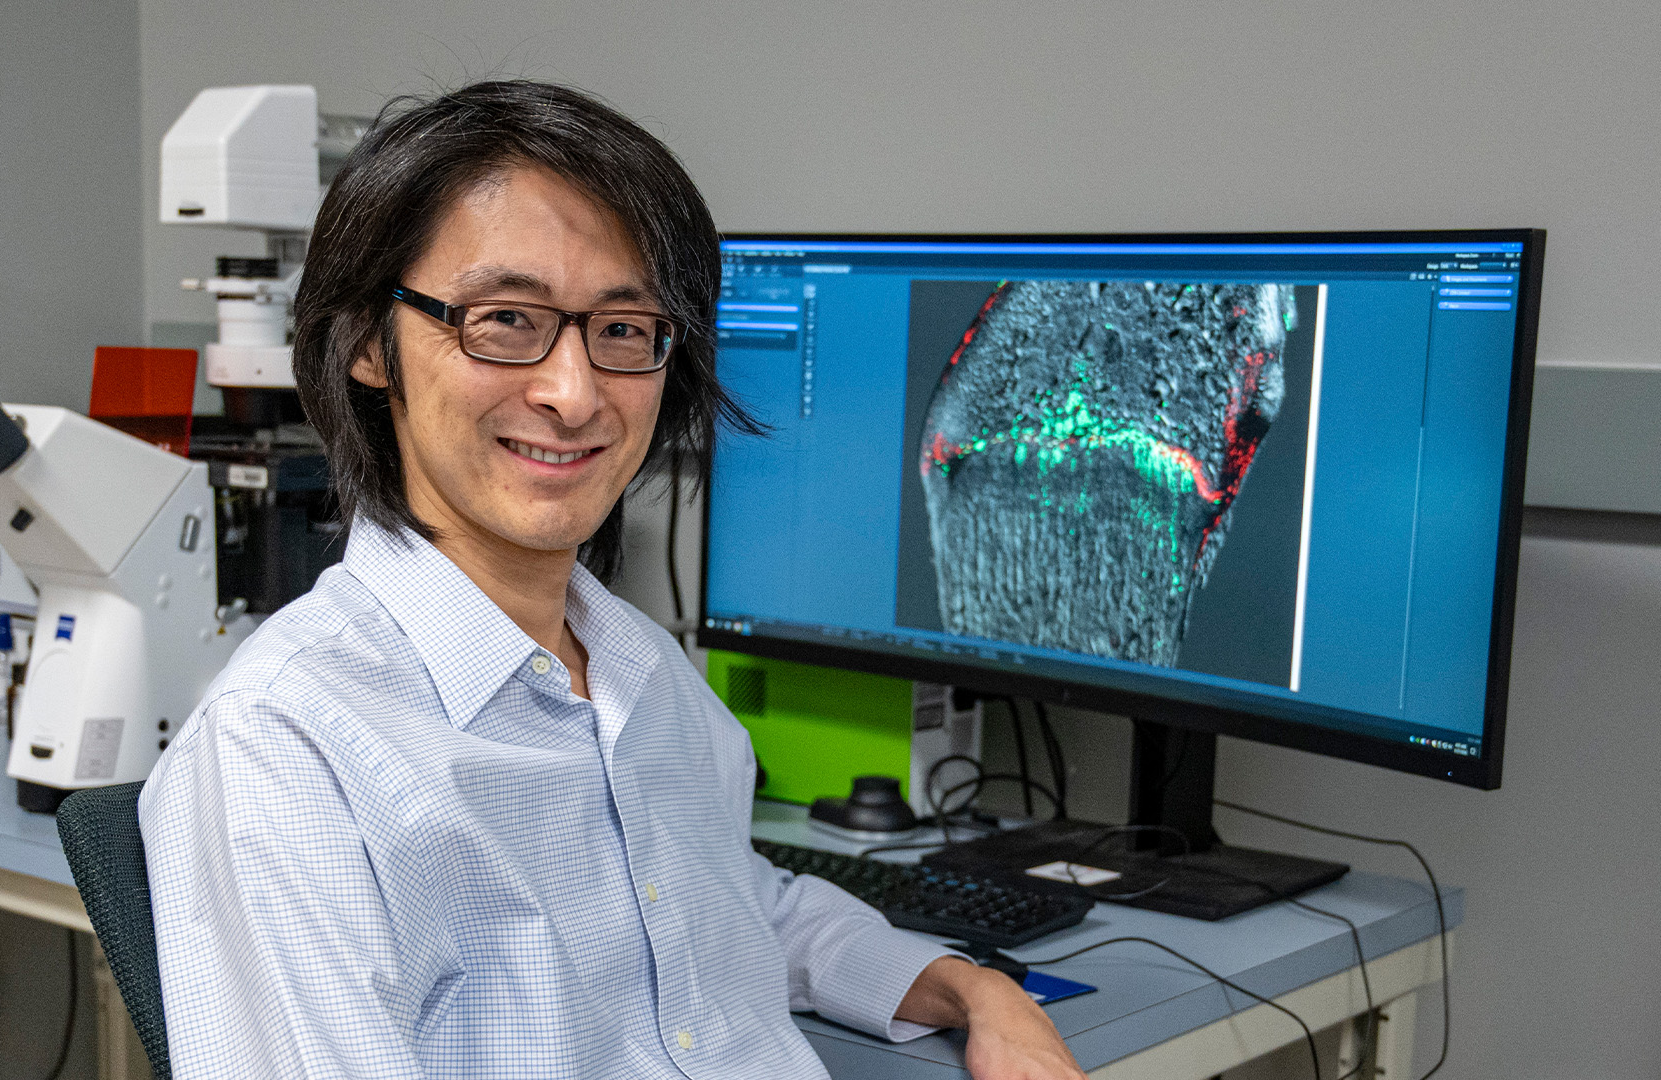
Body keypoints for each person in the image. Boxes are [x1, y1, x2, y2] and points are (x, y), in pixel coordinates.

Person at [140, 80, 1085, 1080]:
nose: (574, 392)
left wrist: (974, 989)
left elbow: (731, 908)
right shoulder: (287, 747)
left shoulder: (638, 670)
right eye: (505, 319)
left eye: (624, 329)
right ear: (370, 344)